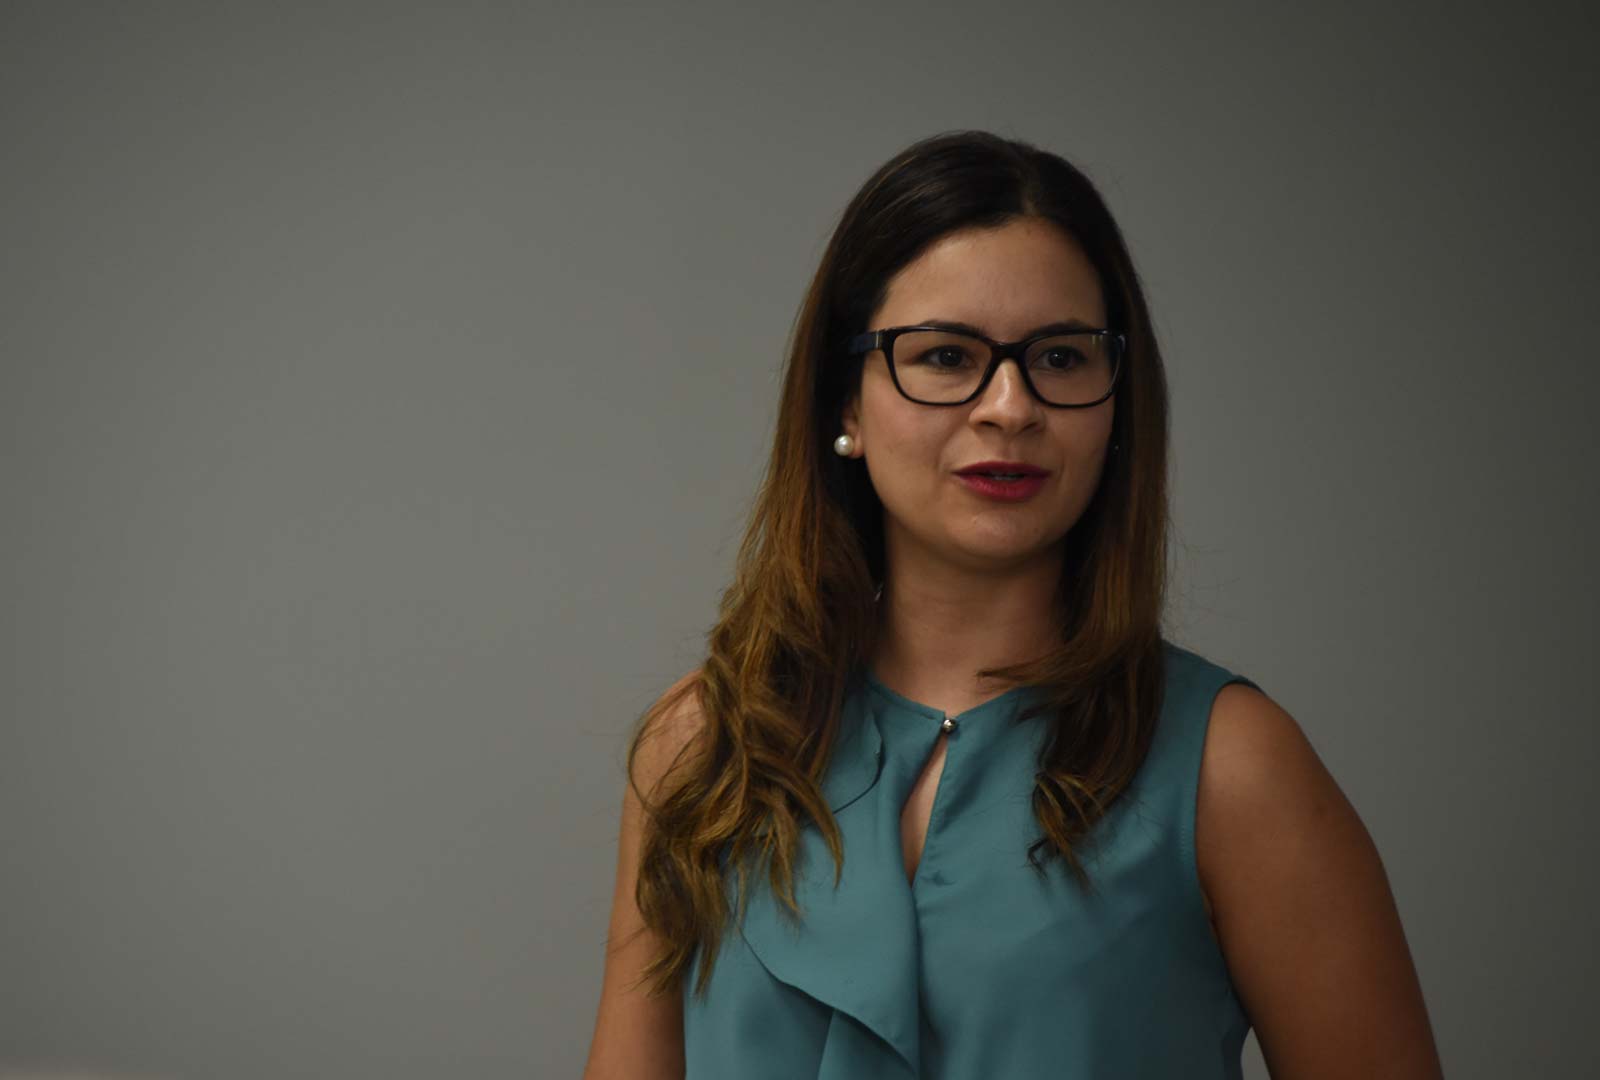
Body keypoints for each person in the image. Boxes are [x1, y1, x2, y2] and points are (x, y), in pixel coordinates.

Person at [582, 130, 1443, 1079]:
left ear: (1117, 403)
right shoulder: (701, 748)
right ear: (846, 404)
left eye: (1061, 357)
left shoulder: (1231, 766)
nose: (1009, 406)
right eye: (947, 355)